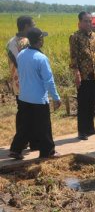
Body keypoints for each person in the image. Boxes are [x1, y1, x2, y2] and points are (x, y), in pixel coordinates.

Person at [9, 27, 61, 159]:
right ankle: (48, 151)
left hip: (24, 97)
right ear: (40, 40)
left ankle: (15, 149)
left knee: (25, 125)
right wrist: (56, 97)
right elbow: (49, 80)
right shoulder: (41, 58)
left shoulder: (21, 54)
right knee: (44, 127)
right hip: (38, 99)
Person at [69, 11, 95, 140]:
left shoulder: (94, 36)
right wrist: (76, 73)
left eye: (90, 21)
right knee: (83, 103)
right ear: (79, 23)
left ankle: (90, 128)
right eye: (86, 21)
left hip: (94, 73)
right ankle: (82, 130)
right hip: (83, 74)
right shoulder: (75, 37)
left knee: (91, 102)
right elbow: (73, 57)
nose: (89, 23)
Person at [6, 16, 37, 151]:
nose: (34, 28)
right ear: (25, 26)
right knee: (25, 112)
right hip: (23, 83)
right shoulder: (19, 43)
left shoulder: (18, 41)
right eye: (32, 25)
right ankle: (22, 141)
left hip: (24, 83)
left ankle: (26, 140)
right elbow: (22, 63)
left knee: (26, 112)